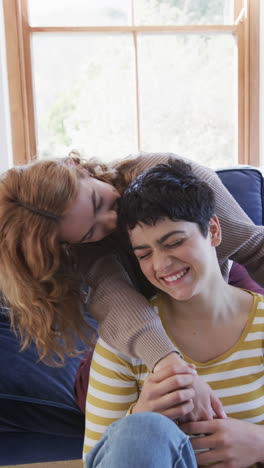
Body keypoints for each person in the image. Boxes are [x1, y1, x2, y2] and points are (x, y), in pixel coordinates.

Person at [0, 152, 263, 421]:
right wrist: (169, 367)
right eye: (90, 232)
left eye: (97, 201)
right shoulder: (85, 250)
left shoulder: (171, 174)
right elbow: (114, 298)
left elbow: (256, 248)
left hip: (209, 280)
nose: (112, 222)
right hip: (142, 314)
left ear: (77, 167)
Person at [83, 159, 264, 468]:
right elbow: (94, 460)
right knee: (142, 431)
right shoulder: (124, 343)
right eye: (145, 254)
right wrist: (140, 417)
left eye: (176, 242)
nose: (162, 265)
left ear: (214, 230)